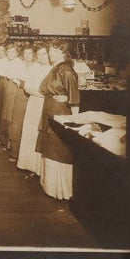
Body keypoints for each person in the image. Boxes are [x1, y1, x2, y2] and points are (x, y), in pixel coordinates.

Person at [36, 43, 81, 200]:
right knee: (49, 146)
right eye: (50, 50)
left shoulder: (66, 70)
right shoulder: (55, 68)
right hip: (49, 109)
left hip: (60, 112)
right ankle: (49, 185)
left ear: (64, 52)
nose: (51, 53)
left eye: (55, 50)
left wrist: (74, 122)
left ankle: (60, 189)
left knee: (58, 149)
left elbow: (74, 98)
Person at [16, 47, 52, 175]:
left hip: (48, 105)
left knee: (43, 133)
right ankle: (29, 164)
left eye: (44, 53)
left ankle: (40, 168)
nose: (42, 57)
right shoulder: (34, 68)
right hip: (35, 103)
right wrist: (42, 94)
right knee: (31, 132)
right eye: (39, 54)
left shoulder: (53, 69)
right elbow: (27, 87)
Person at [6, 47, 37, 160]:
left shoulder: (37, 66)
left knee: (30, 124)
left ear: (33, 54)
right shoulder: (18, 64)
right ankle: (15, 152)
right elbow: (12, 77)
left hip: (34, 96)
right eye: (25, 53)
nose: (27, 55)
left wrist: (23, 82)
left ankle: (28, 156)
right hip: (20, 94)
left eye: (30, 53)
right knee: (17, 123)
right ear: (22, 55)